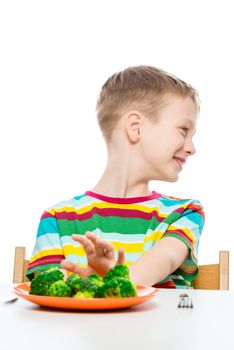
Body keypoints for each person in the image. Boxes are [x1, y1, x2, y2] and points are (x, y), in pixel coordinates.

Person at [26, 65, 205, 288]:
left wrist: (103, 282)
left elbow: (162, 261)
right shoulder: (56, 219)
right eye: (183, 130)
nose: (191, 148)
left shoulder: (184, 214)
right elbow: (48, 293)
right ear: (135, 127)